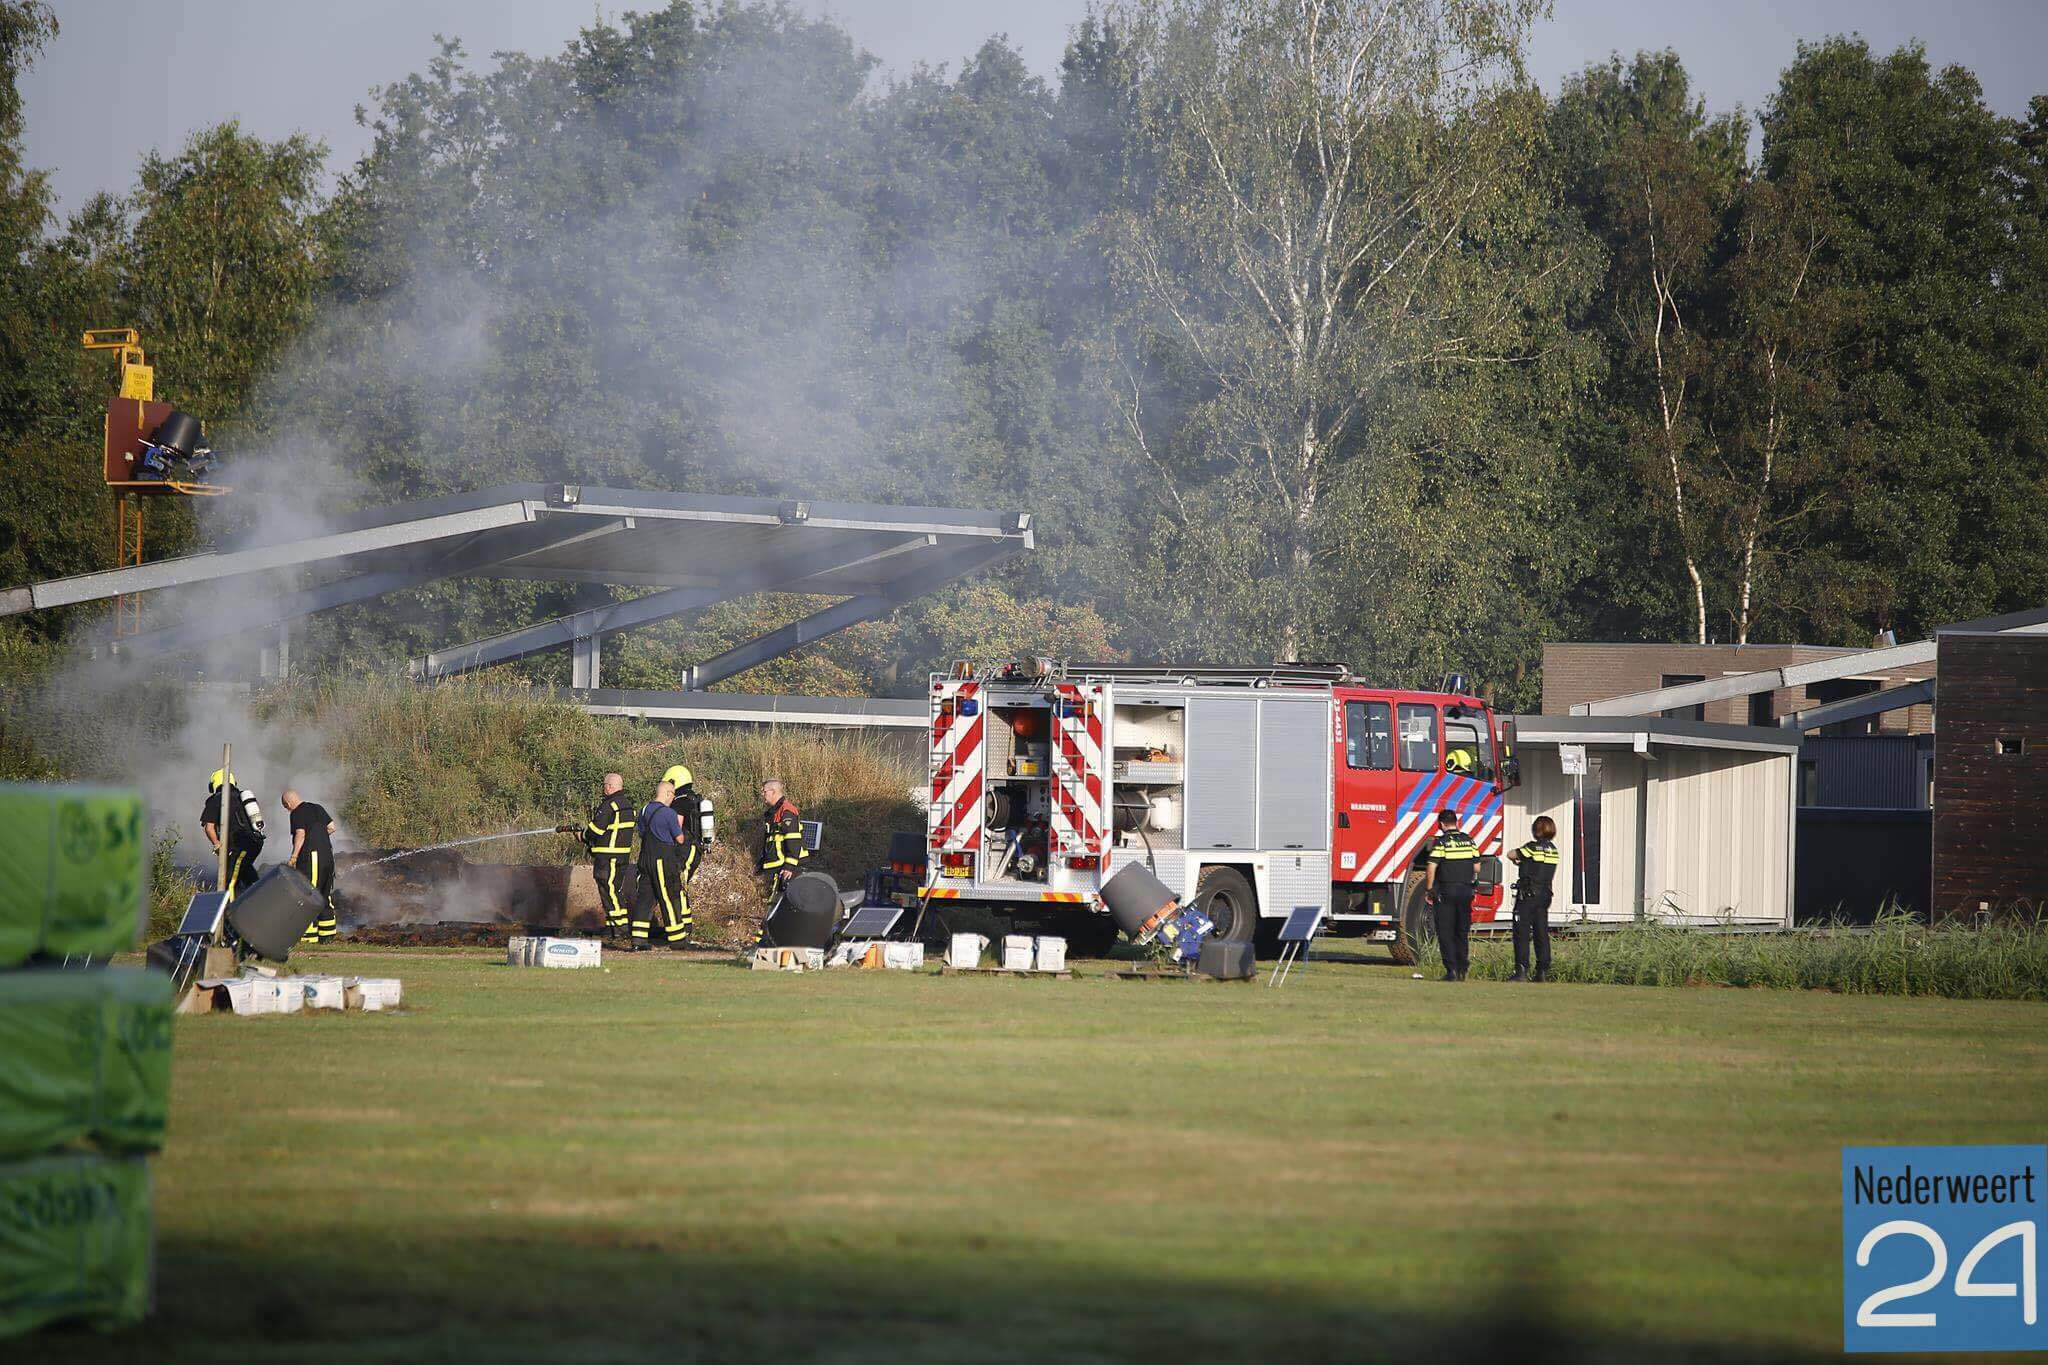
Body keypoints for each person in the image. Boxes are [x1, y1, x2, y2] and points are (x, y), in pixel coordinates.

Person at [566, 773, 635, 939]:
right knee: (615, 891)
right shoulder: (627, 806)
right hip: (621, 857)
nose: (603, 788)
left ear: (610, 786)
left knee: (609, 892)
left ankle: (621, 928)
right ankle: (613, 927)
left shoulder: (609, 805)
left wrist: (582, 836)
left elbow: (596, 830)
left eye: (605, 785)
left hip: (608, 858)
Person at [1422, 808, 1481, 982]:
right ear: (1457, 822)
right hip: (1465, 891)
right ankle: (1463, 969)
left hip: (1446, 891)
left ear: (1441, 824)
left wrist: (1429, 889)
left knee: (1445, 931)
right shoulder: (1469, 841)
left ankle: (1451, 971)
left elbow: (1432, 866)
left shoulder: (1442, 842)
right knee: (1461, 932)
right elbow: (1477, 867)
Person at [631, 779, 690, 950]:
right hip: (663, 859)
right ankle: (677, 939)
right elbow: (680, 838)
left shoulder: (643, 810)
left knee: (645, 898)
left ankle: (638, 940)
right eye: (672, 794)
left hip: (644, 858)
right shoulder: (669, 813)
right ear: (666, 793)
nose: (673, 798)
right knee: (669, 896)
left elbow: (642, 832)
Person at [1507, 815, 1561, 982]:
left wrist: (1519, 861)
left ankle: (1521, 971)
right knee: (1541, 933)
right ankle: (1542, 971)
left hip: (1528, 895)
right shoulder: (1553, 849)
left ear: (1536, 830)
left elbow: (1511, 854)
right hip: (1545, 895)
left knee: (1521, 933)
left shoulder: (1531, 847)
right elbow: (1539, 866)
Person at [281, 789, 338, 945]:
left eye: (286, 807)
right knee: (324, 894)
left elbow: (300, 834)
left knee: (308, 894)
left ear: (288, 804)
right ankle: (327, 936)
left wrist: (293, 857)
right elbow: (332, 827)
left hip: (312, 857)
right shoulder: (317, 807)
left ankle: (308, 938)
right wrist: (320, 838)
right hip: (328, 855)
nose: (287, 810)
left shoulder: (297, 813)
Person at [200, 769, 265, 901]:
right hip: (255, 842)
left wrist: (217, 845)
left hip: (239, 846)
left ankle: (230, 915)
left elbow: (209, 827)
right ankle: (260, 901)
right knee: (246, 872)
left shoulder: (216, 799)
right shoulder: (241, 796)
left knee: (229, 879)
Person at [664, 763, 714, 898]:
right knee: (680, 884)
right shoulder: (695, 799)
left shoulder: (680, 802)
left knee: (679, 883)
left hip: (686, 848)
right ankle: (681, 915)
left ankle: (680, 916)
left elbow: (677, 826)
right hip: (695, 848)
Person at [758, 778, 807, 889]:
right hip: (777, 866)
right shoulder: (774, 812)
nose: (762, 794)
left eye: (764, 791)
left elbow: (792, 839)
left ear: (773, 792)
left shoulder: (786, 810)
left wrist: (789, 867)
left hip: (787, 868)